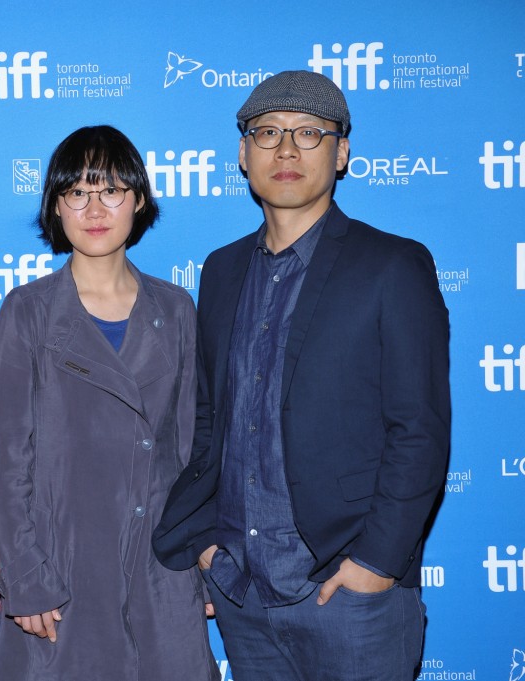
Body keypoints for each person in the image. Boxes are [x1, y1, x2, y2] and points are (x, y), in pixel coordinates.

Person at [153, 70, 451, 681]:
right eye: (267, 132)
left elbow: (419, 431)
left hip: (348, 593)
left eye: (310, 133)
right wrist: (210, 545)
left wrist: (377, 562)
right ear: (243, 153)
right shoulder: (221, 270)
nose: (286, 149)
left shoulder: (393, 265)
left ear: (341, 152)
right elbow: (211, 420)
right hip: (242, 591)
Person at [0, 125, 220, 681]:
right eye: (77, 192)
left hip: (162, 568)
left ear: (138, 200)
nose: (95, 208)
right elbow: (8, 459)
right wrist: (25, 575)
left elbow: (194, 452)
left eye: (111, 189)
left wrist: (204, 561)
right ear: (57, 207)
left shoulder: (176, 308)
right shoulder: (29, 312)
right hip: (64, 570)